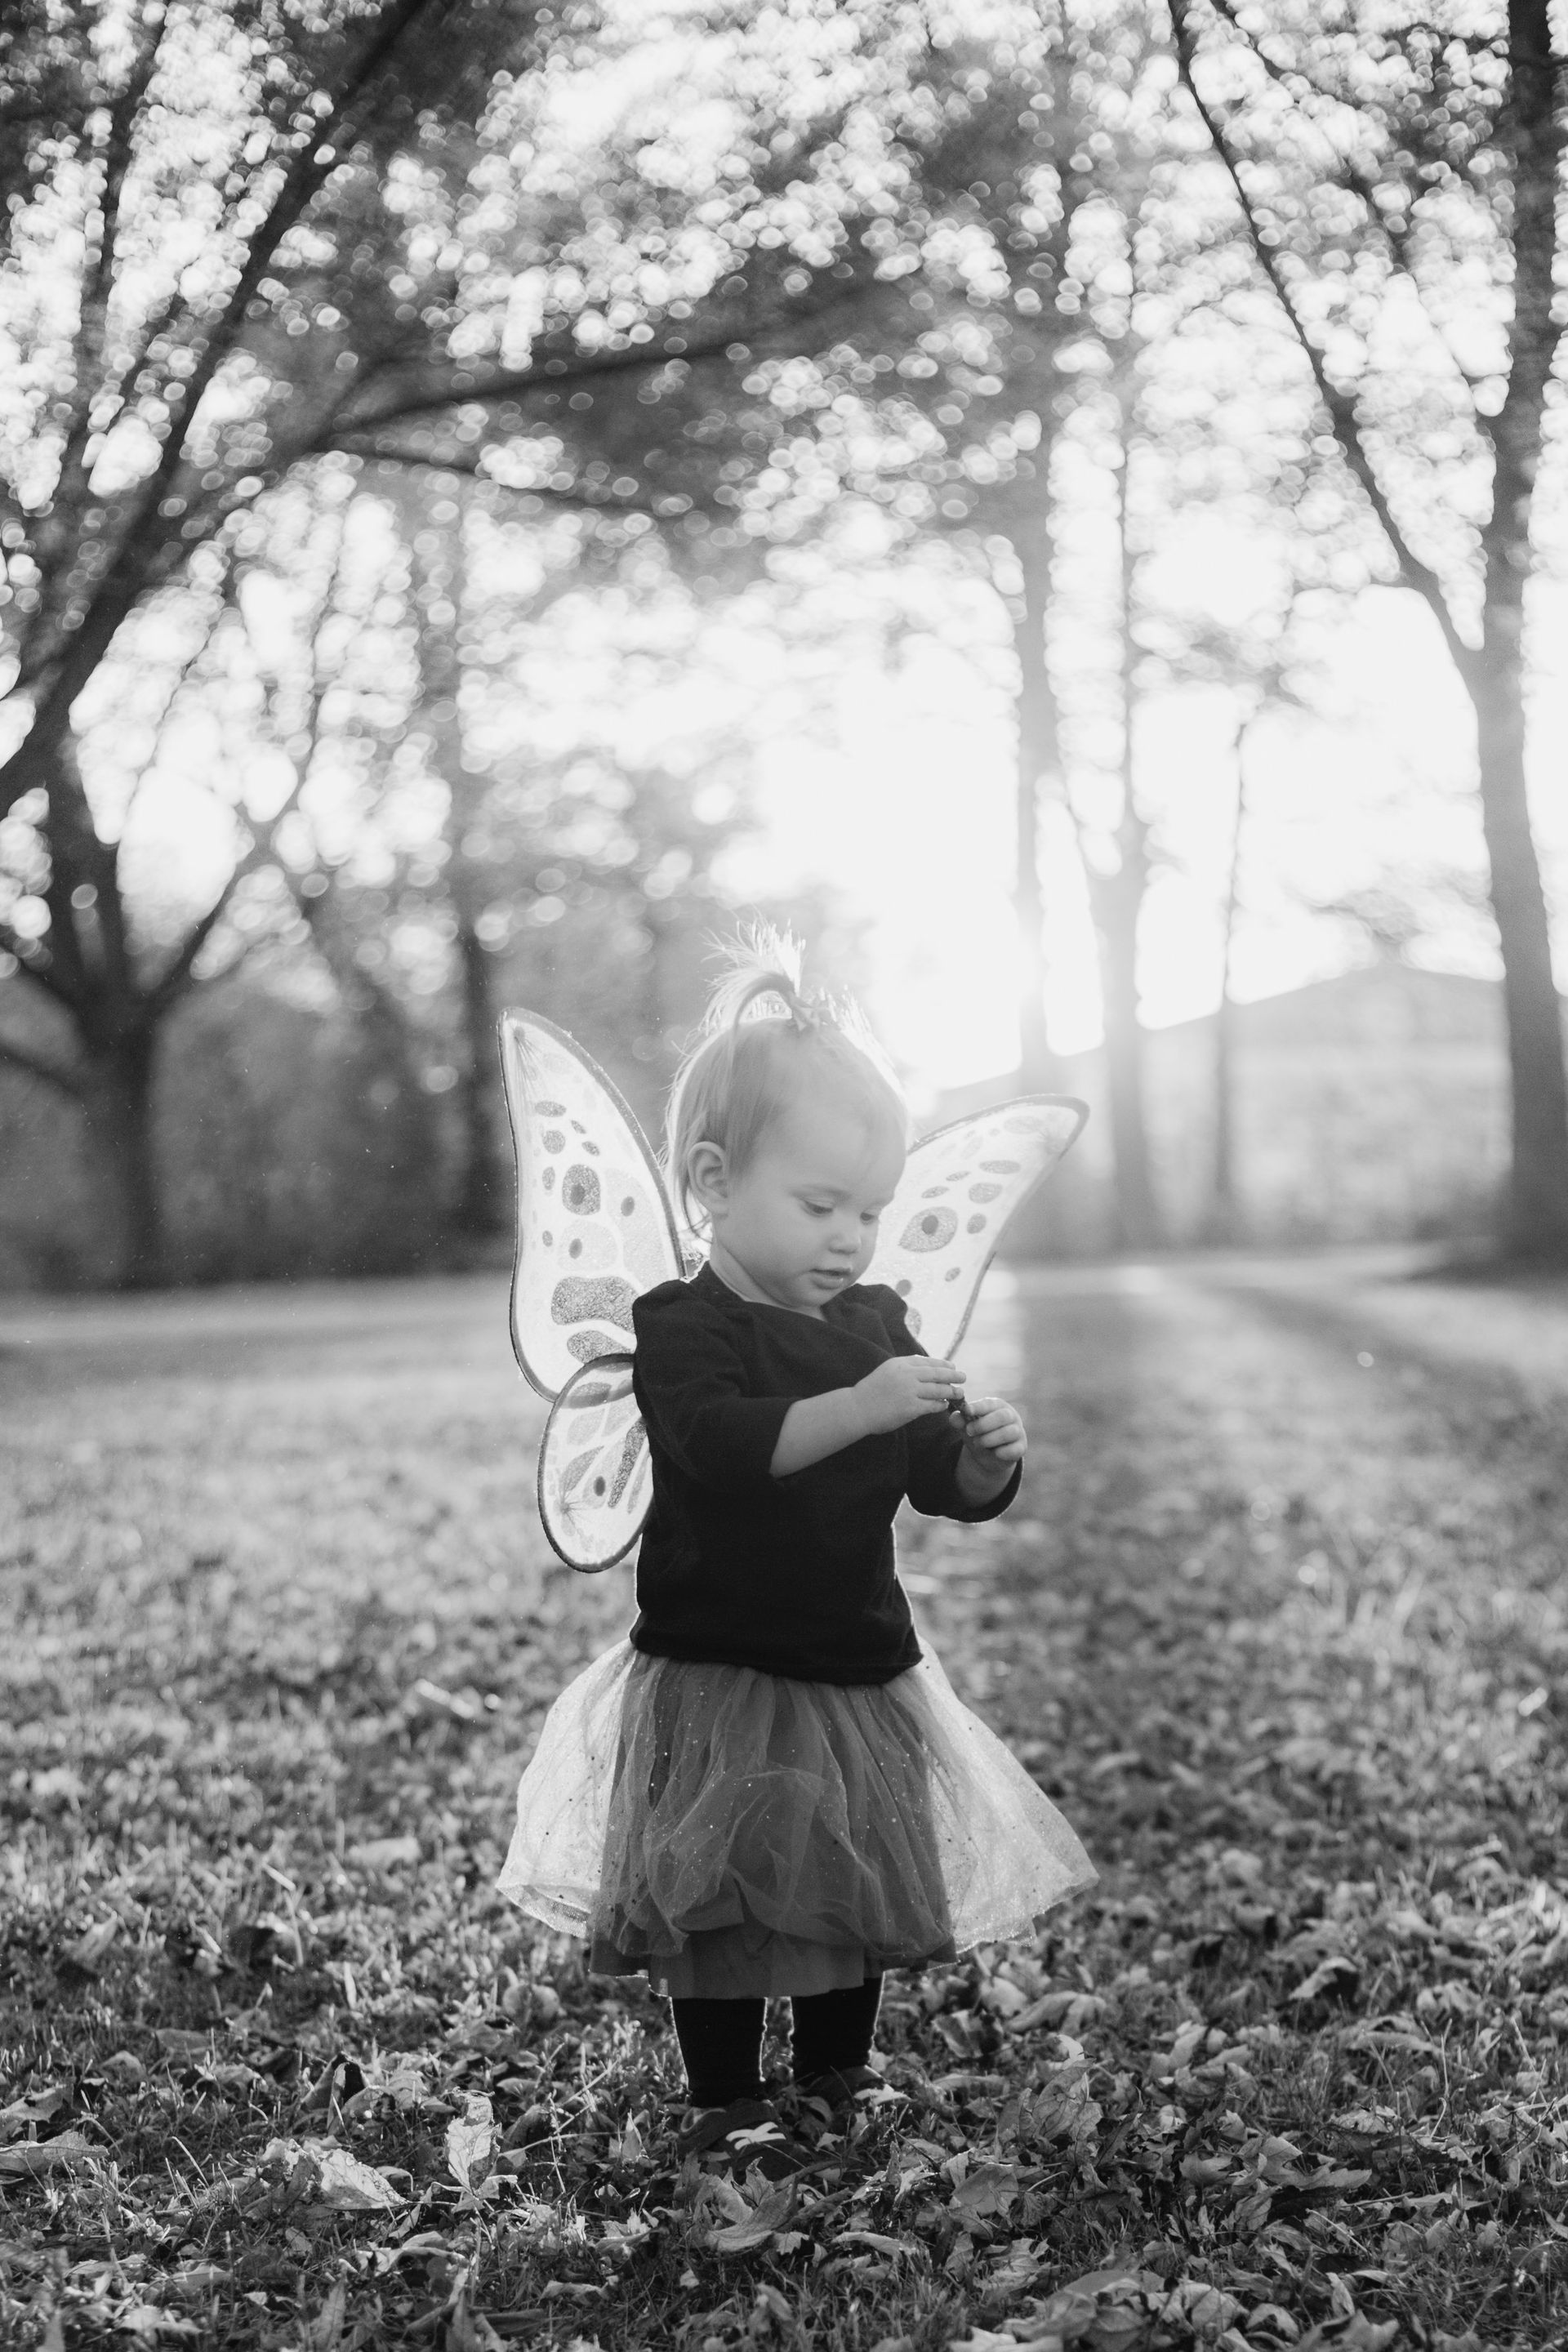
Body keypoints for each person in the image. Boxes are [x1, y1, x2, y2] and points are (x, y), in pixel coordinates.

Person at [497, 940, 1094, 2170]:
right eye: (820, 1207)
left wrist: (981, 1455)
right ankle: (723, 2093)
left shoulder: (876, 1325)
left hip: (858, 1663)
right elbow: (720, 1448)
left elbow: (934, 1478)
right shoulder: (685, 1326)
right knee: (719, 1897)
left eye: (871, 1212)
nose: (852, 1239)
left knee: (850, 1887)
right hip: (719, 1666)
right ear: (713, 1182)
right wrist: (867, 1407)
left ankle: (837, 2074)